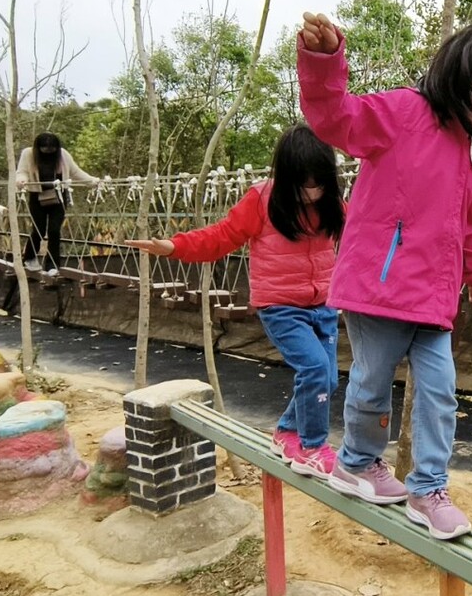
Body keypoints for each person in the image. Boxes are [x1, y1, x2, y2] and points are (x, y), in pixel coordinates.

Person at [297, 12, 472, 540]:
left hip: (434, 297)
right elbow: (336, 117)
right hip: (378, 288)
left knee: (440, 392)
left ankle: (428, 488)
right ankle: (357, 462)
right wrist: (323, 60)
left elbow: (468, 228)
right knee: (371, 384)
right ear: (455, 78)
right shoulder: (404, 112)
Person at [125, 123, 346, 479]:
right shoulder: (262, 200)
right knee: (315, 370)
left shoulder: (332, 205)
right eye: (304, 183)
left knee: (328, 379)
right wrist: (173, 246)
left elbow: (367, 232)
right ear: (287, 176)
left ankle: (287, 431)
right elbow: (221, 236)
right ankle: (312, 447)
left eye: (319, 183)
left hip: (323, 306)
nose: (312, 192)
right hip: (282, 307)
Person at [15, 132, 98, 275]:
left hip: (59, 196)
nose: (48, 153)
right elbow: (21, 172)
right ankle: (29, 257)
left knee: (54, 230)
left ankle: (52, 265)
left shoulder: (63, 155)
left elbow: (75, 172)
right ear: (38, 148)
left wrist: (92, 181)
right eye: (45, 150)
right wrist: (21, 181)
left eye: (52, 150)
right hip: (37, 195)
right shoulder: (28, 154)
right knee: (39, 229)